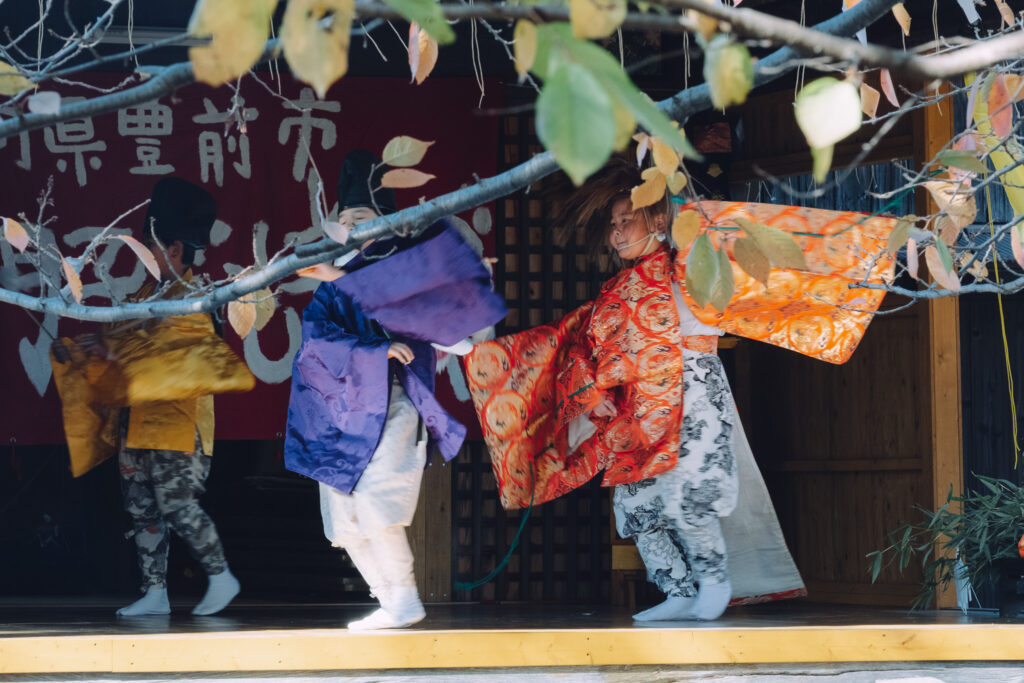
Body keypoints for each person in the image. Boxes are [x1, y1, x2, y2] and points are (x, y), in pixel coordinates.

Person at [464, 158, 897, 621]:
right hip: (638, 405)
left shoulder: (691, 265)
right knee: (636, 501)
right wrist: (594, 394)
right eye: (613, 224)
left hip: (692, 388)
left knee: (689, 489)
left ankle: (715, 580)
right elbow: (584, 347)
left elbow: (757, 246)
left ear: (656, 221)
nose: (616, 232)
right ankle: (678, 588)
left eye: (626, 220)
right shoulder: (617, 288)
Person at [285, 150, 505, 631]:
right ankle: (388, 598)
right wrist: (373, 350)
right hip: (341, 413)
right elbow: (316, 346)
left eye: (362, 217)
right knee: (345, 518)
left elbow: (442, 329)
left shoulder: (403, 272)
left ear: (385, 222)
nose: (351, 227)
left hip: (392, 404)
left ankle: (405, 599)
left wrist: (386, 343)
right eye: (345, 220)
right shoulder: (329, 288)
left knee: (377, 503)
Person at [50, 177, 255, 617]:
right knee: (142, 509)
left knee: (177, 505)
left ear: (174, 248)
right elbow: (118, 343)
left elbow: (172, 354)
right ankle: (155, 591)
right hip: (138, 422)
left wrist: (112, 349)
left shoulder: (195, 299)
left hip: (179, 427)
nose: (146, 254)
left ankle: (221, 575)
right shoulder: (147, 294)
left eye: (150, 246)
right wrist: (83, 351)